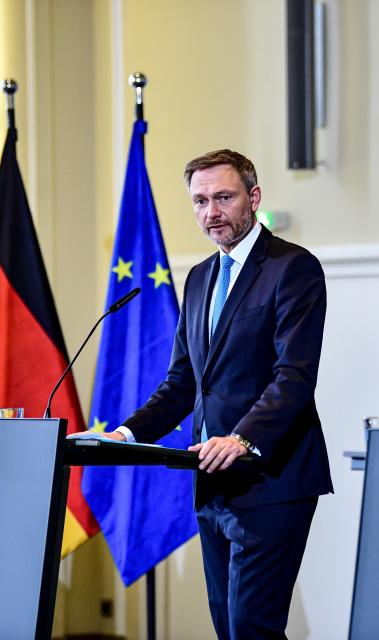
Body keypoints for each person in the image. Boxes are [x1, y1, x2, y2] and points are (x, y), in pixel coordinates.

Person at [101, 149, 333, 639]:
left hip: (272, 479)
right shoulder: (201, 276)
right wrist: (124, 433)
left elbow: (293, 376)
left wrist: (242, 439)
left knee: (253, 629)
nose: (211, 212)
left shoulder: (293, 268)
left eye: (223, 197)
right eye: (200, 201)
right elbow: (183, 384)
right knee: (228, 628)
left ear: (253, 198)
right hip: (210, 482)